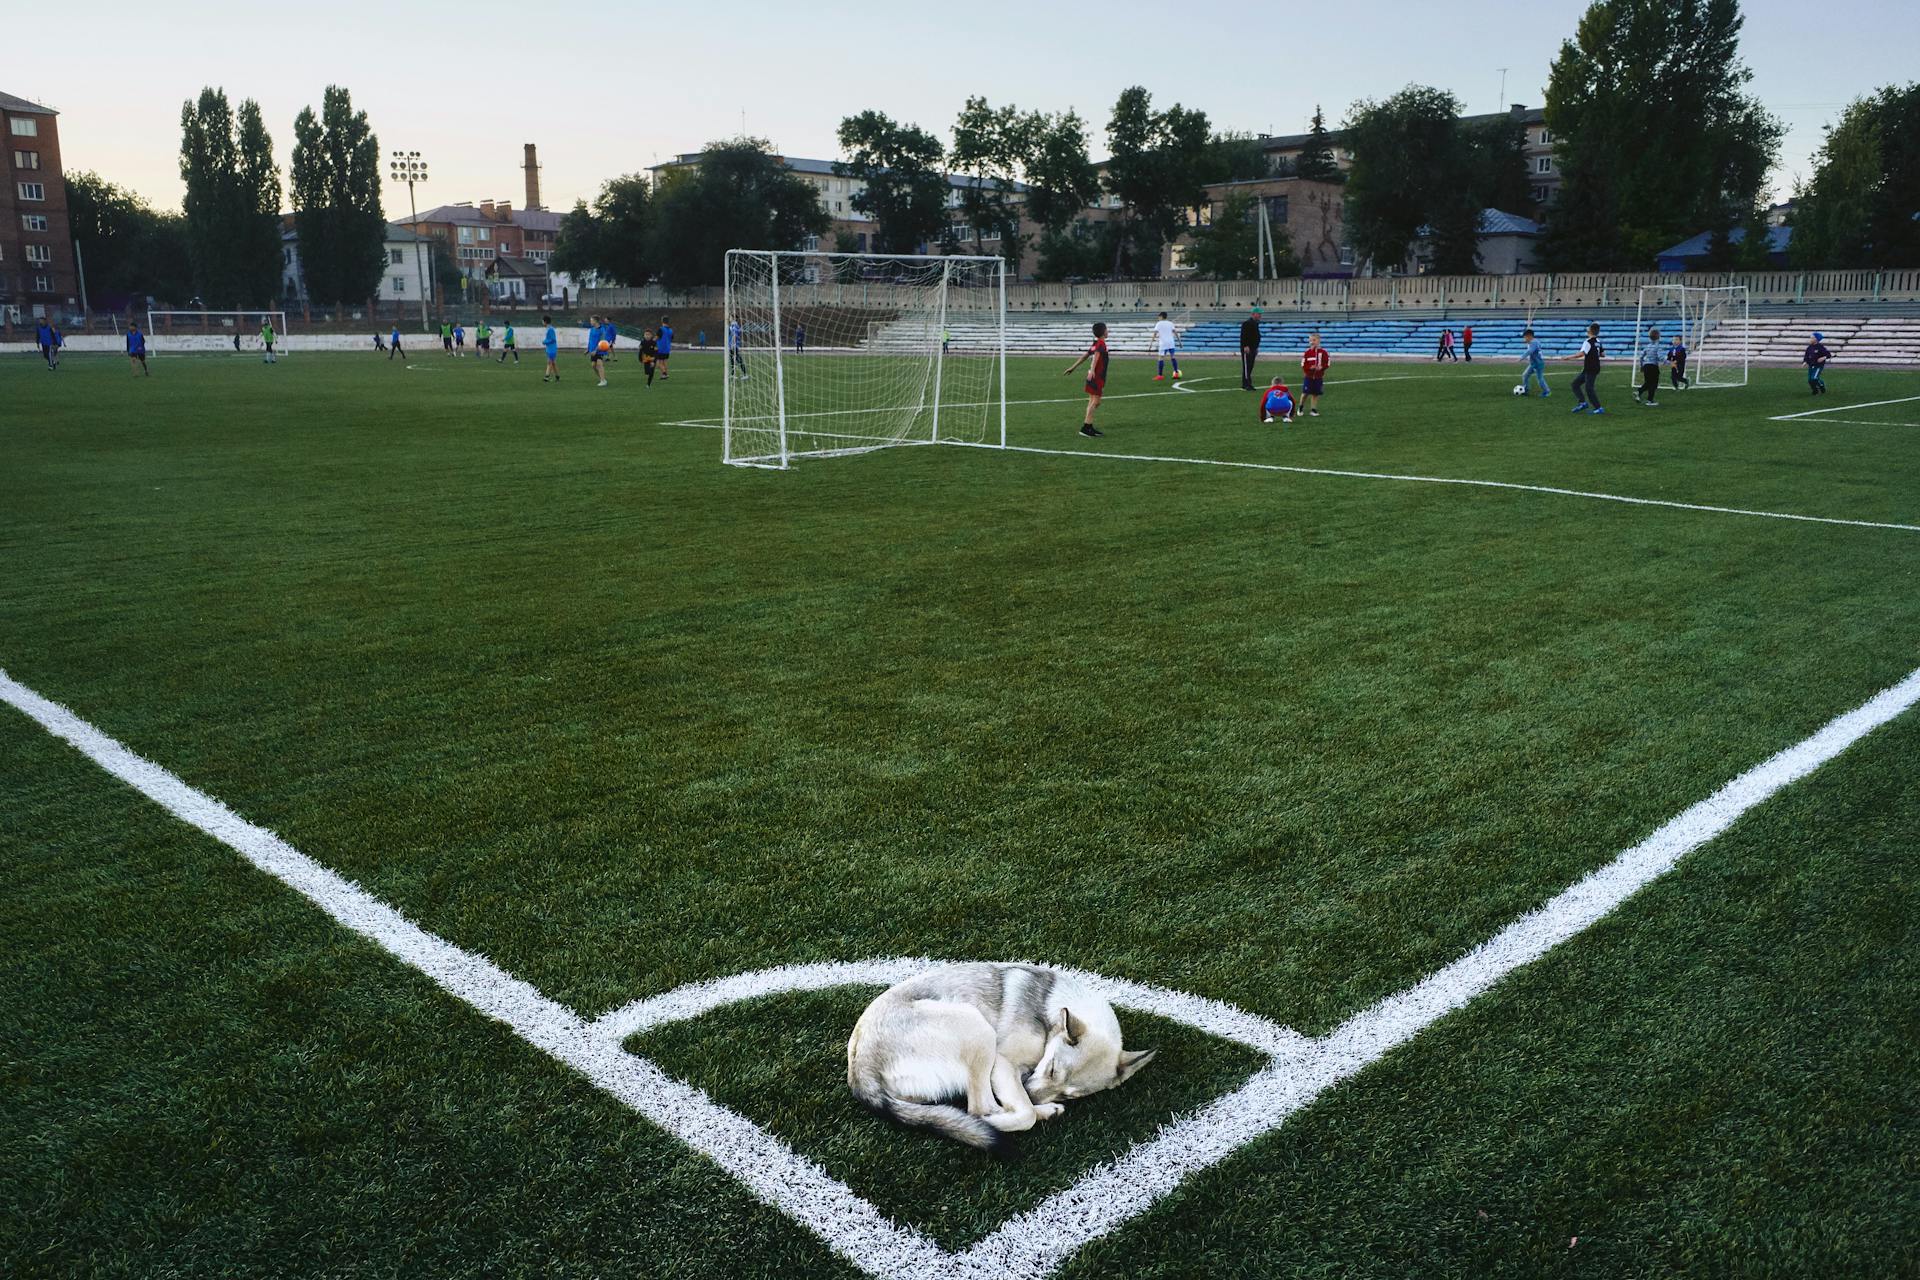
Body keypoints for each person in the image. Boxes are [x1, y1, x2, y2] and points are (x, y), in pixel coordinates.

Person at [1062, 321, 1110, 437]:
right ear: (1103, 332)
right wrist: (1093, 370)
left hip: (1094, 375)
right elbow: (1097, 355)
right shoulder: (1101, 344)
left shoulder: (1096, 343)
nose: (1108, 331)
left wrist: (1073, 367)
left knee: (1092, 400)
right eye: (1107, 329)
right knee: (1096, 401)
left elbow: (1085, 355)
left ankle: (1088, 426)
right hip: (1096, 376)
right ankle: (1086, 427)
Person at [1567, 322, 1605, 414]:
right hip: (1593, 367)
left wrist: (1568, 357)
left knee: (1589, 388)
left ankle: (1598, 408)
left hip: (1590, 368)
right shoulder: (1598, 342)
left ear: (1590, 331)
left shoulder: (1587, 342)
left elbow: (1581, 354)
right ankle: (1583, 403)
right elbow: (1603, 354)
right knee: (1575, 384)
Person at [1299, 333, 1330, 416]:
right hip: (1308, 376)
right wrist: (1310, 368)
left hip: (1318, 377)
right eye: (1310, 340)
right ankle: (1300, 407)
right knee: (1305, 393)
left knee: (1315, 394)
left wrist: (1322, 367)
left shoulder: (1323, 352)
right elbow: (1303, 364)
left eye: (1314, 340)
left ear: (1319, 341)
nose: (1312, 342)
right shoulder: (1307, 352)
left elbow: (1327, 363)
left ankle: (1313, 409)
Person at [1635, 327, 1663, 406]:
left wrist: (1641, 366)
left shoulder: (1647, 346)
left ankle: (1639, 392)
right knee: (1653, 383)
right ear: (1658, 337)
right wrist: (1668, 362)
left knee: (1648, 382)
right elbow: (1660, 357)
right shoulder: (1658, 347)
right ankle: (1650, 400)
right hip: (1653, 366)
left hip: (1646, 366)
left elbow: (1641, 357)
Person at [1150, 311, 1181, 382]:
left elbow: (1155, 333)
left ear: (1161, 316)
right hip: (1171, 342)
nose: (1158, 318)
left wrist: (1151, 342)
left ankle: (1160, 375)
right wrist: (1179, 342)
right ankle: (1176, 373)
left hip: (1163, 343)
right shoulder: (1170, 323)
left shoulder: (1159, 324)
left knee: (1161, 358)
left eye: (1158, 316)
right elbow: (1175, 332)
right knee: (1172, 357)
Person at [1519, 327, 1549, 397]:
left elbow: (1530, 351)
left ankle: (1547, 391)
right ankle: (1526, 389)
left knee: (1540, 378)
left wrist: (1522, 357)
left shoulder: (1533, 343)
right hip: (1534, 363)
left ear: (1529, 336)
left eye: (1525, 337)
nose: (1524, 338)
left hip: (1537, 364)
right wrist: (1527, 342)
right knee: (1525, 375)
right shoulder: (1534, 342)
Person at [1239, 307, 1262, 390]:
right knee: (1247, 366)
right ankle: (1246, 384)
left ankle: (1248, 383)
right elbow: (1243, 336)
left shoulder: (1255, 323)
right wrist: (1245, 346)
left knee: (1250, 366)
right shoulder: (1247, 323)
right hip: (1247, 348)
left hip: (1253, 348)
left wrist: (1256, 348)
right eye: (1259, 314)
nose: (1260, 315)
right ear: (1253, 314)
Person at [1804, 331, 1832, 395]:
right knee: (1810, 380)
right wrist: (1805, 361)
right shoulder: (1809, 347)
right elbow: (1806, 355)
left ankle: (1821, 385)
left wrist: (1823, 358)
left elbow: (1828, 355)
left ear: (1816, 339)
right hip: (1811, 365)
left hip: (1818, 366)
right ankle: (1815, 390)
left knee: (1814, 378)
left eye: (1812, 338)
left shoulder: (1821, 347)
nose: (1810, 339)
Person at [541, 315, 560, 382]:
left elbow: (553, 339)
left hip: (552, 349)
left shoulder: (550, 329)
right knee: (553, 363)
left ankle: (546, 377)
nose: (542, 322)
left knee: (549, 362)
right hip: (549, 348)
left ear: (545, 322)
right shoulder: (549, 329)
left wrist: (545, 341)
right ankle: (557, 376)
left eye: (543, 321)